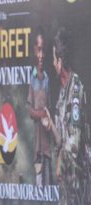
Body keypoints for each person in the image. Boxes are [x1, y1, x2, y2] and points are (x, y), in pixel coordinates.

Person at [48, 27, 89, 204]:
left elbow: (74, 141)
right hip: (66, 183)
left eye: (54, 58)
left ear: (60, 60)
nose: (52, 63)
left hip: (78, 181)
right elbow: (62, 140)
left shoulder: (76, 89)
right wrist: (50, 124)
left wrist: (60, 161)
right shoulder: (62, 92)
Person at [26, 28, 53, 186]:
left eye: (43, 50)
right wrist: (41, 114)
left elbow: (49, 108)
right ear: (34, 51)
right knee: (39, 179)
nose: (41, 55)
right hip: (37, 141)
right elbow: (30, 110)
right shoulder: (32, 77)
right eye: (38, 50)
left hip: (47, 141)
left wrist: (46, 116)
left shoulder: (48, 78)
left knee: (49, 179)